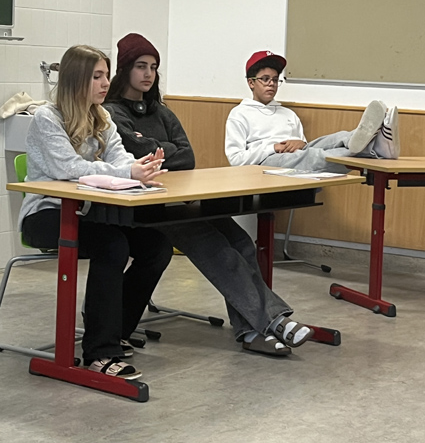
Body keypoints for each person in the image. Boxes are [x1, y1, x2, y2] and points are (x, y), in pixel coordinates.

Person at [105, 33, 319, 358]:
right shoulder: (112, 113)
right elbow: (138, 152)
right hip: (142, 204)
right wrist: (163, 150)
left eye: (153, 67)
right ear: (125, 70)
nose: (148, 73)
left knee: (242, 243)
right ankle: (273, 320)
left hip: (177, 197)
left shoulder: (161, 112)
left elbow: (187, 157)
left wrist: (158, 150)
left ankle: (250, 330)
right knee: (215, 247)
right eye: (140, 66)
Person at [18, 45, 174, 379]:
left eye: (106, 75)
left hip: (89, 212)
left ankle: (114, 330)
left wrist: (139, 168)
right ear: (76, 80)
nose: (106, 83)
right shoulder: (48, 117)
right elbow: (68, 168)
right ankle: (100, 354)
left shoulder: (101, 116)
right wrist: (127, 172)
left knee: (157, 245)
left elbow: (119, 158)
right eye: (97, 76)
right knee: (112, 245)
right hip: (47, 213)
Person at [225, 51, 400, 170]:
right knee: (314, 156)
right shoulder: (239, 114)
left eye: (275, 79)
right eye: (265, 79)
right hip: (266, 163)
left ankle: (374, 143)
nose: (271, 84)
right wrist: (273, 147)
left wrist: (300, 143)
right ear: (251, 83)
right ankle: (376, 148)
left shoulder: (288, 114)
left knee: (336, 138)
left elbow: (303, 145)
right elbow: (235, 159)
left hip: (297, 156)